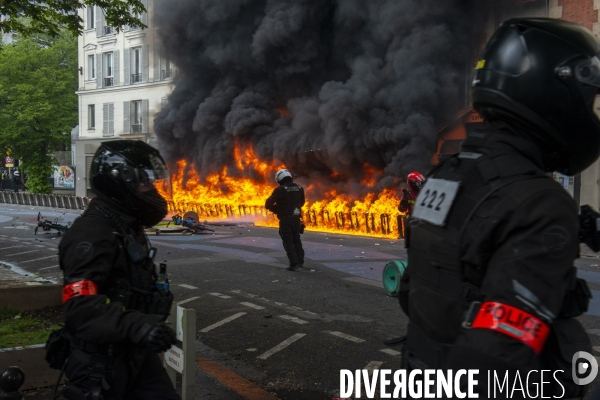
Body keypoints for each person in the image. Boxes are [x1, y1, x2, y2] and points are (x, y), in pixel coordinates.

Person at [399, 18, 598, 398]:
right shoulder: (538, 202)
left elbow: (421, 287)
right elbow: (499, 353)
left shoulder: (447, 175)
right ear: (553, 92)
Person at [58, 140, 179, 400]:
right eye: (146, 181)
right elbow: (80, 308)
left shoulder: (124, 226)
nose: (154, 190)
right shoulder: (91, 234)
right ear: (120, 181)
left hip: (134, 355)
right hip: (100, 365)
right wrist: (139, 326)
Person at [265, 169, 305, 271]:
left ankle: (294, 264)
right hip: (296, 218)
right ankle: (300, 261)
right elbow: (302, 203)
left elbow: (268, 204)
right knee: (297, 240)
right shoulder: (299, 188)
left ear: (279, 179)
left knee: (288, 242)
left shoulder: (280, 190)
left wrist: (278, 210)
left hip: (285, 219)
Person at [397, 171, 425, 239]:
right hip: (412, 223)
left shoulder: (425, 192)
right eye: (417, 183)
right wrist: (404, 200)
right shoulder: (408, 195)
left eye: (420, 183)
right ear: (412, 184)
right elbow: (401, 209)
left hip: (423, 223)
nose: (419, 185)